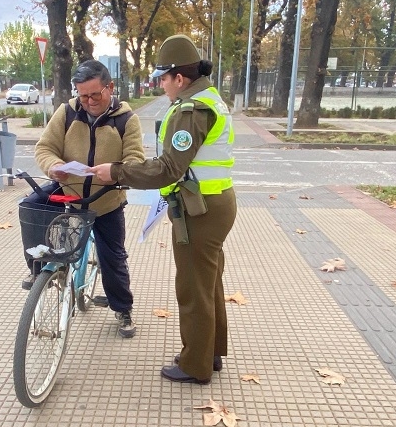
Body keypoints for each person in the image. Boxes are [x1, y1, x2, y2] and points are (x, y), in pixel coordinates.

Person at [89, 35, 237, 384]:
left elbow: (169, 167)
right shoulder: (208, 99)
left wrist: (118, 172)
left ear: (179, 79)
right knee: (208, 283)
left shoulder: (192, 110)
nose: (161, 85)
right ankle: (209, 353)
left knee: (193, 287)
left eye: (163, 79)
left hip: (199, 211)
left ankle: (195, 365)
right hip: (213, 203)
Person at [23, 59, 145, 338]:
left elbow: (135, 162)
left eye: (95, 94)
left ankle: (122, 308)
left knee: (112, 256)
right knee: (31, 207)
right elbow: (45, 148)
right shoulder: (66, 113)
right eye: (82, 95)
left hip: (106, 200)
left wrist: (115, 172)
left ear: (110, 88)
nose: (89, 101)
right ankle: (37, 269)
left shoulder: (126, 120)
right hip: (69, 192)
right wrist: (53, 166)